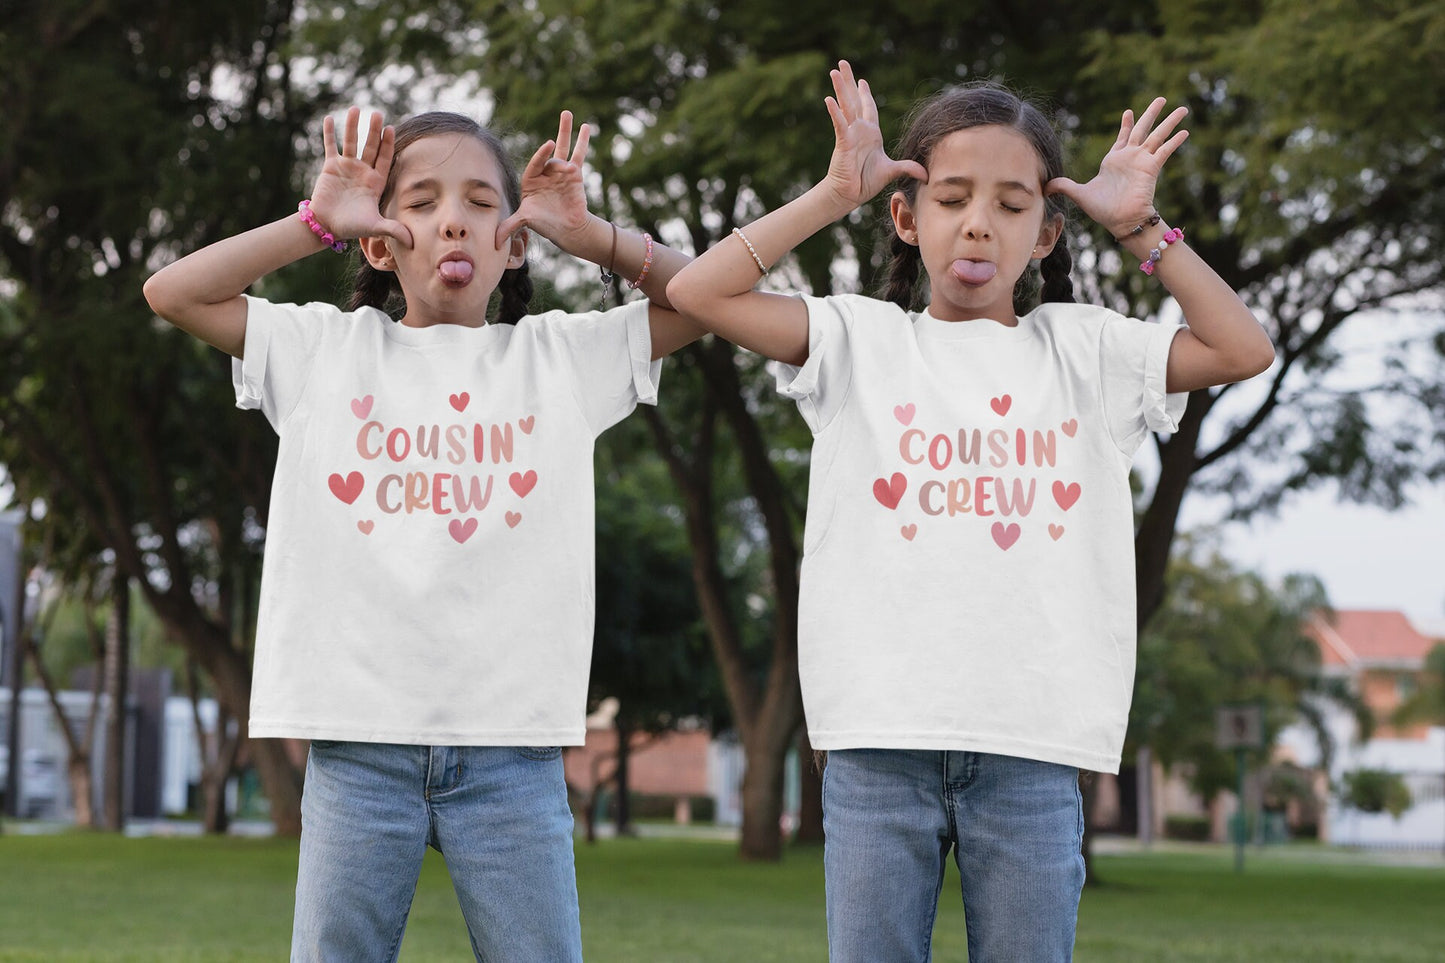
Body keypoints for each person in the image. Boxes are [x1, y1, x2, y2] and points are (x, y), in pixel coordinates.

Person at [666, 61, 1274, 961]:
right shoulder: (857, 340)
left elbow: (1241, 347)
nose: (979, 222)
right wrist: (834, 192)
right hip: (877, 744)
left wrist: (1142, 228)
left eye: (1012, 203)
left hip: (1031, 747)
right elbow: (697, 294)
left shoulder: (1085, 350)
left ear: (1045, 234)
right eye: (950, 198)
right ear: (907, 218)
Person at [144, 104, 699, 962]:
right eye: (423, 200)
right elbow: (172, 290)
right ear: (378, 240)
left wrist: (590, 237)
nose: (453, 219)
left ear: (514, 243)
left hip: (511, 757)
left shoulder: (560, 360)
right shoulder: (321, 351)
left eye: (483, 203)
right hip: (358, 752)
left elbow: (709, 301)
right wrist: (313, 223)